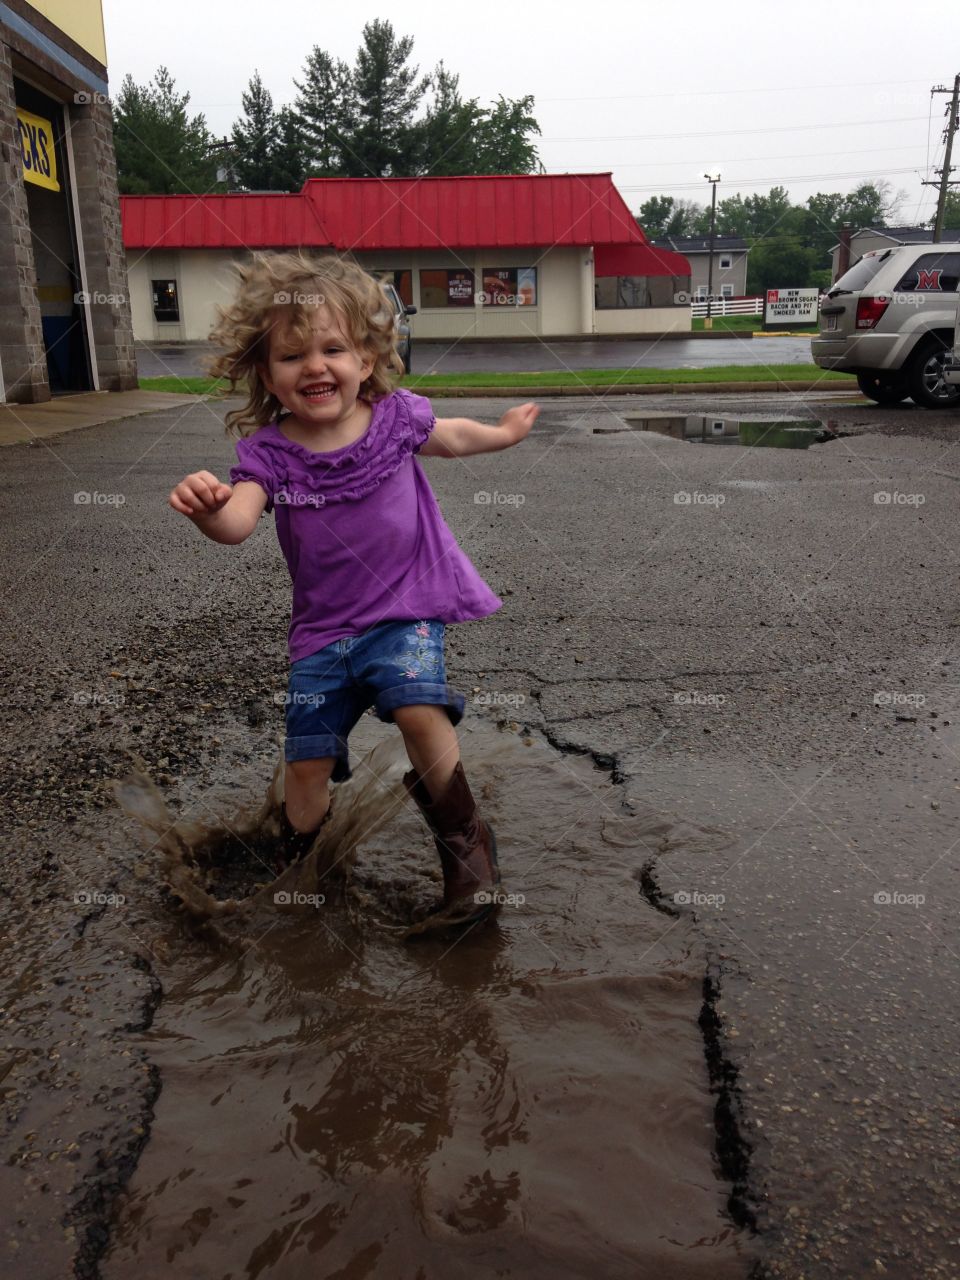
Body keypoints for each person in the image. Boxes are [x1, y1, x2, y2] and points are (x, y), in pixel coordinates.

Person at [168, 252, 539, 932]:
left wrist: (503, 435)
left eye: (333, 348)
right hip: (322, 635)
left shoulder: (395, 420)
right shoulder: (269, 455)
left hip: (406, 610)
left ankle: (468, 854)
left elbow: (451, 437)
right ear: (264, 374)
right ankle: (302, 869)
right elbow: (238, 523)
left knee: (417, 705)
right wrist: (206, 509)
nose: (315, 366)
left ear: (366, 360)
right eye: (292, 356)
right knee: (305, 762)